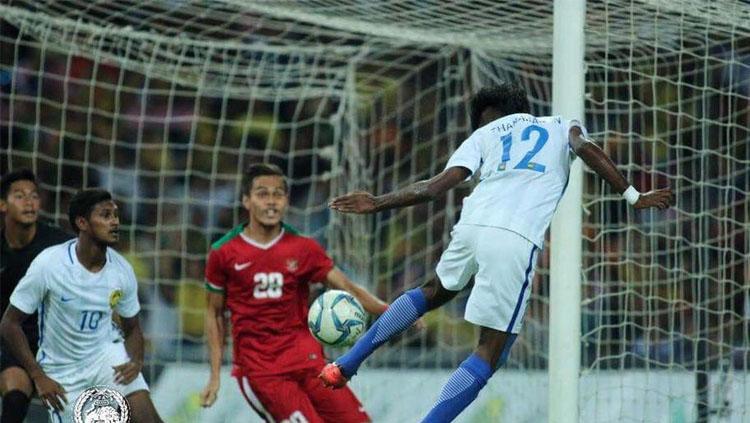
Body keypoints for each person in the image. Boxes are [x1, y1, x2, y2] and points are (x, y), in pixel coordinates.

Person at [319, 83, 675, 422]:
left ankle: (345, 364)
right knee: (491, 352)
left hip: (472, 225)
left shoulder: (482, 135)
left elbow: (433, 188)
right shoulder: (559, 125)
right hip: (514, 238)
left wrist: (378, 201)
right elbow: (587, 150)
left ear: (485, 117)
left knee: (432, 291)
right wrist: (634, 195)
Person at [199, 163, 388, 423]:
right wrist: (215, 376)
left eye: (278, 194)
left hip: (310, 363)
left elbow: (348, 287)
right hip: (264, 373)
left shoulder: (303, 248)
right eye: (262, 194)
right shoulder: (224, 253)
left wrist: (395, 313)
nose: (271, 202)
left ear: (287, 200)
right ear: (246, 200)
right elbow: (214, 313)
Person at [0, 189, 163, 423]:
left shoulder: (122, 270)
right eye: (106, 215)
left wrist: (136, 361)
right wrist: (38, 376)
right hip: (63, 372)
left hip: (107, 358)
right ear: (82, 222)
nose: (115, 222)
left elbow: (133, 328)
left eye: (115, 215)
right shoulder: (50, 264)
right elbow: (9, 324)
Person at [0, 169, 72, 423]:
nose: (29, 202)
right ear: (2, 204)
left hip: (58, 342)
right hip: (13, 340)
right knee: (15, 395)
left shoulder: (59, 246)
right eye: (20, 196)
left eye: (34, 196)